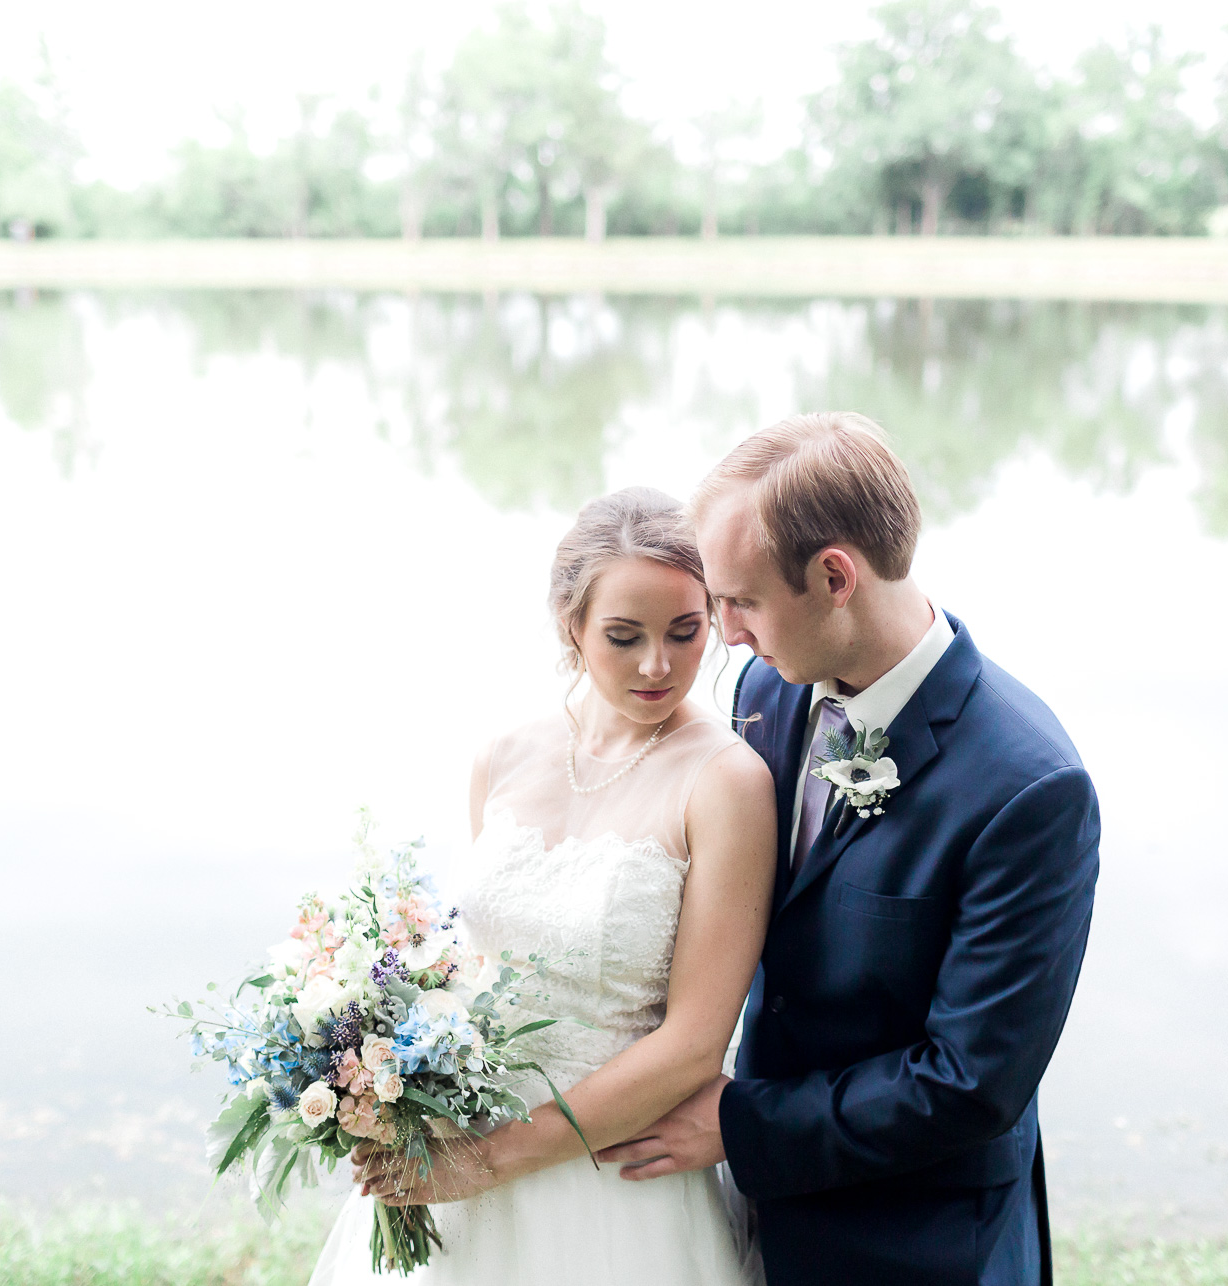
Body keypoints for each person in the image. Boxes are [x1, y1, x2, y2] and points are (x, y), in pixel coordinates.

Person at [596, 413, 1101, 1286]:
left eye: (741, 601)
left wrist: (741, 1125)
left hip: (915, 1242)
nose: (726, 634)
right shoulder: (768, 692)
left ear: (835, 576)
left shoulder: (1030, 789)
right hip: (747, 1218)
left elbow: (970, 1082)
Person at [306, 486, 778, 1286]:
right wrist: (378, 1074)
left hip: (611, 1178)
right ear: (572, 627)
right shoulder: (505, 752)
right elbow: (463, 964)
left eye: (686, 631)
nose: (659, 665)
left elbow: (696, 1041)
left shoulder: (726, 781)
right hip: (455, 1150)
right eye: (624, 637)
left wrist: (493, 1160)